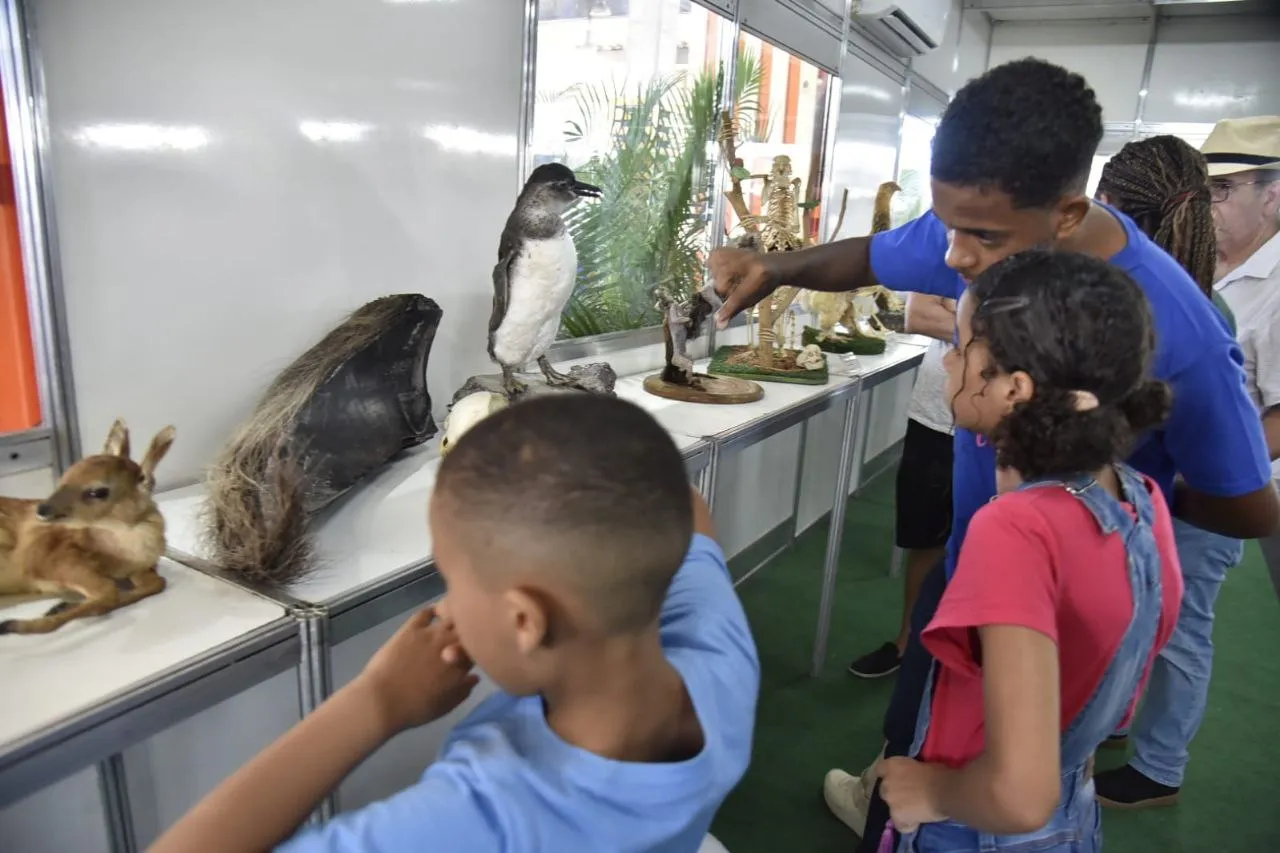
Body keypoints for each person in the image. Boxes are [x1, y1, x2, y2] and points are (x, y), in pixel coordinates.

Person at [707, 57, 1278, 850]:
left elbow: (1247, 500)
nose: (950, 256)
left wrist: (1081, 519)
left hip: (1042, 591)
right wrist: (773, 268)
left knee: (990, 764)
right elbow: (878, 254)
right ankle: (896, 791)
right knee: (939, 725)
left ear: (1069, 214)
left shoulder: (1181, 329)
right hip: (978, 568)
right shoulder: (985, 234)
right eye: (946, 225)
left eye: (979, 235)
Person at [149, 395, 760, 853]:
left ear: (524, 619)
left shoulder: (487, 820)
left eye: (453, 580)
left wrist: (376, 703)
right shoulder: (717, 650)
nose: (449, 605)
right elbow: (684, 505)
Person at [874, 249, 1183, 852]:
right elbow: (1117, 688)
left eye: (961, 348)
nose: (950, 362)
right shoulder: (1141, 500)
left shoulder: (1015, 530)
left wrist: (929, 791)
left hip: (974, 828)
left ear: (1013, 388)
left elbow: (1018, 793)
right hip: (1073, 817)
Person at [1087, 132, 1250, 806]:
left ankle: (1160, 767)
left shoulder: (1185, 314)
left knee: (1181, 629)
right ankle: (1118, 722)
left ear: (1114, 209)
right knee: (1138, 615)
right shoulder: (1171, 295)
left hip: (1198, 500)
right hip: (1160, 491)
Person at [827, 301, 955, 835]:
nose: (953, 362)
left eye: (975, 357)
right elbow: (917, 312)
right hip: (939, 424)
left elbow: (1022, 793)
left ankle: (890, 799)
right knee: (927, 543)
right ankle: (911, 646)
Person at [1200, 116, 1280, 601]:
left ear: (1271, 195)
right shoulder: (1201, 261)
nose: (1209, 203)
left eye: (1224, 188)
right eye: (1205, 188)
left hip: (1245, 484)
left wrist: (1213, 472)